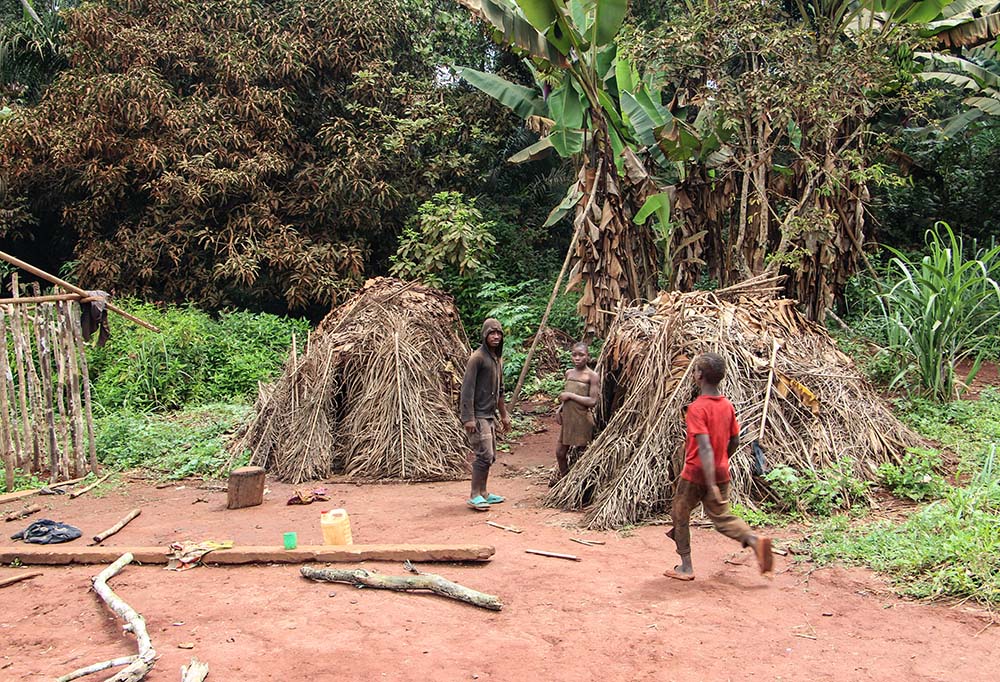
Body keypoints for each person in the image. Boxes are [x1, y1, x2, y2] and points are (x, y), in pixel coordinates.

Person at [665, 351, 773, 580]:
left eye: (695, 370)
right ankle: (755, 541)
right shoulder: (727, 406)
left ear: (699, 376)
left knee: (680, 513)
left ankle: (685, 567)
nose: (693, 373)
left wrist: (710, 481)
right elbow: (735, 440)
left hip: (696, 473)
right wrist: (723, 461)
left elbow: (703, 447)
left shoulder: (697, 408)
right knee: (722, 517)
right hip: (722, 471)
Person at [460, 318, 511, 510]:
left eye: (499, 333)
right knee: (484, 454)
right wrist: (468, 418)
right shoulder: (477, 358)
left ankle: (484, 492)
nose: (496, 336)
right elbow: (467, 390)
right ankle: (474, 495)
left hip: (489, 415)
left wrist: (504, 415)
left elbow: (500, 390)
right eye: (492, 333)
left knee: (491, 456)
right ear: (485, 335)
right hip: (478, 416)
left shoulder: (496, 359)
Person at [554, 342, 599, 478]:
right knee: (560, 453)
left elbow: (592, 401)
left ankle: (582, 483)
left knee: (583, 453)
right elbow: (567, 396)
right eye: (574, 355)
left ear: (588, 356)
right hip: (569, 419)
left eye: (581, 355)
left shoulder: (592, 376)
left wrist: (570, 396)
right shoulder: (569, 373)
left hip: (582, 420)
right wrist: (560, 409)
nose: (577, 358)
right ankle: (565, 479)